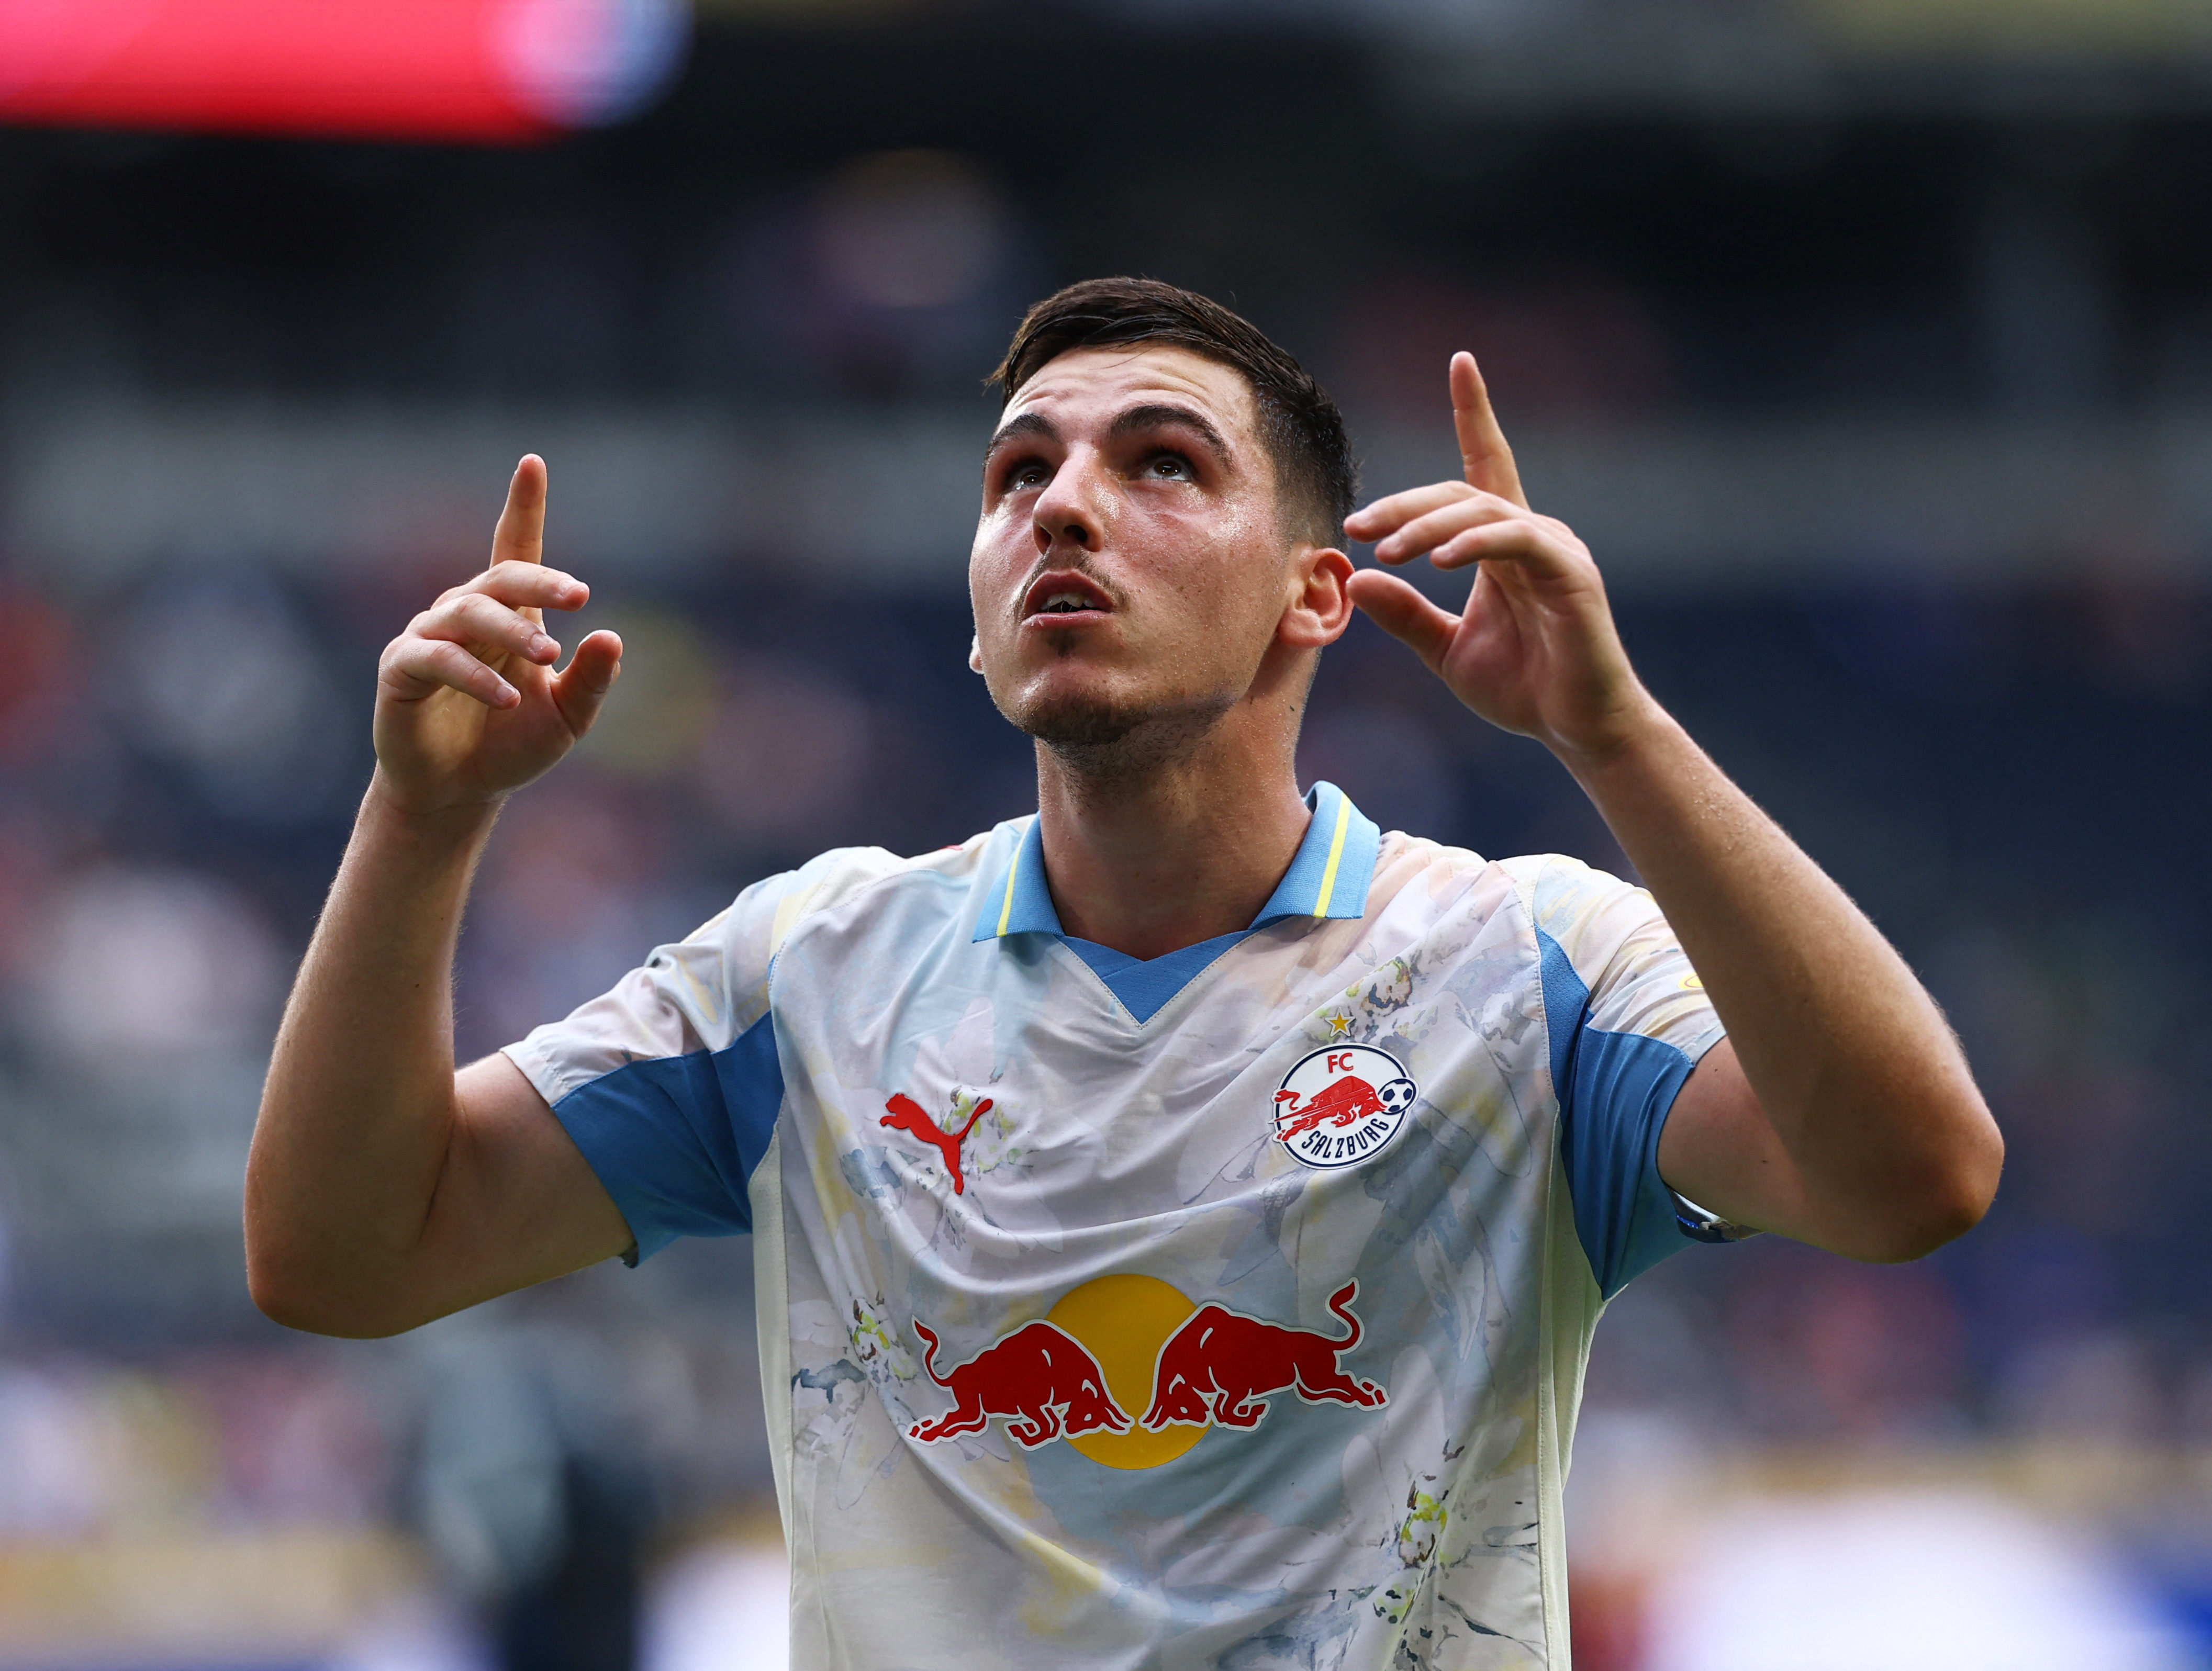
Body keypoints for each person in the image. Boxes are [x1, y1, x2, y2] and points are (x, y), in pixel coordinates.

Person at [246, 278, 2002, 1668]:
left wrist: (1609, 734)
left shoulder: (1523, 958)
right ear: (976, 597)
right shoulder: (810, 968)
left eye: (1160, 462)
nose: (1064, 505)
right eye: (1021, 474)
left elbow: (1914, 1177)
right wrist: (419, 817)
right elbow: (344, 1253)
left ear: (1320, 594)